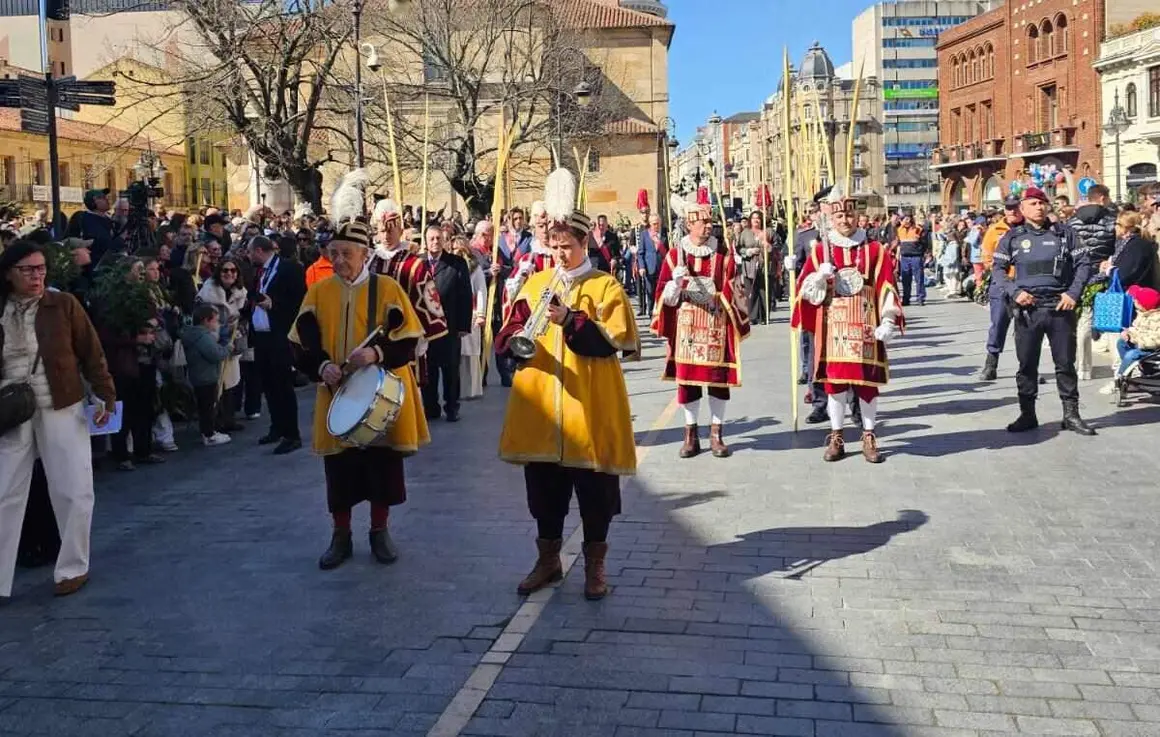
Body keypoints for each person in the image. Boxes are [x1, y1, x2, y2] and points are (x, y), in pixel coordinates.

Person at [495, 168, 638, 601]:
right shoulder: (537, 282)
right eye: (554, 247)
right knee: (544, 490)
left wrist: (570, 319)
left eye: (568, 247)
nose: (559, 255)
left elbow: (610, 343)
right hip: (541, 406)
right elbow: (509, 338)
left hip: (589, 406)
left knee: (595, 492)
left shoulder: (605, 285)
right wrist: (515, 329)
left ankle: (595, 565)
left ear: (584, 245)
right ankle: (548, 559)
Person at [288, 178, 428, 570]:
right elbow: (299, 342)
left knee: (382, 467)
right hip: (335, 392)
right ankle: (341, 536)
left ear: (364, 253)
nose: (338, 261)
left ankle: (380, 532)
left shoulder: (386, 289)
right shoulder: (319, 292)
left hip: (377, 392)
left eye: (346, 253)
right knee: (340, 470)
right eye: (334, 253)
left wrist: (376, 352)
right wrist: (321, 365)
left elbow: (409, 341)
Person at [0, 240, 115, 599]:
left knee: (73, 488)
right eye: (27, 269)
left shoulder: (63, 305)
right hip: (11, 409)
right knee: (4, 493)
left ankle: (73, 567)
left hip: (60, 404)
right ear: (9, 273)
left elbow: (91, 351)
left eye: (40, 268)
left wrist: (105, 394)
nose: (36, 276)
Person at [791, 193, 903, 464]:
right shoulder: (820, 250)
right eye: (839, 215)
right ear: (832, 217)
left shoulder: (875, 249)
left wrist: (888, 319)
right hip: (834, 327)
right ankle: (837, 435)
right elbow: (804, 292)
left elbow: (886, 285)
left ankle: (868, 435)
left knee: (867, 384)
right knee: (835, 385)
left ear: (858, 216)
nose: (845, 220)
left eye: (849, 215)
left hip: (865, 324)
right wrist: (819, 277)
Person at [652, 188, 750, 459]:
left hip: (716, 326)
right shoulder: (675, 256)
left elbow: (739, 294)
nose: (708, 226)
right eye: (702, 222)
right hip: (687, 330)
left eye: (710, 222)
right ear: (688, 224)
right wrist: (675, 283)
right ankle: (690, 434)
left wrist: (731, 285)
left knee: (718, 381)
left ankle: (717, 433)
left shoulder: (724, 256)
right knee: (688, 383)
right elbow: (661, 296)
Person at [992, 186, 1094, 436]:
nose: (1039, 207)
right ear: (1022, 209)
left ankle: (1071, 415)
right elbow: (997, 270)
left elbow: (1084, 264)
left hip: (1060, 307)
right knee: (1027, 364)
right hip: (1029, 310)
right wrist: (1015, 291)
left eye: (1042, 203)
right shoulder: (1012, 238)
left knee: (1065, 364)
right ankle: (1027, 414)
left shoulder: (1065, 234)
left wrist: (1073, 293)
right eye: (1033, 204)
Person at [369, 198, 448, 387]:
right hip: (372, 335)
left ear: (400, 231)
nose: (387, 236)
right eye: (382, 231)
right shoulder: (369, 262)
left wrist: (423, 333)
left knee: (404, 386)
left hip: (405, 335)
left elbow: (428, 298)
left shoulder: (415, 264)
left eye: (391, 231)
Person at [248, 234, 306, 454]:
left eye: (251, 251)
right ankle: (277, 427)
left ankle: (292, 434)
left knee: (282, 385)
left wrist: (275, 304)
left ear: (260, 251)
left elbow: (299, 300)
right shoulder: (258, 272)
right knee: (268, 384)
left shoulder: (289, 268)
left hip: (280, 335)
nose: (249, 255)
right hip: (261, 335)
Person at [1068, 183, 1119, 381]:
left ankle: (1083, 368)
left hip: (1080, 274)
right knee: (1112, 320)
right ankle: (1117, 368)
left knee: (1084, 321)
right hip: (1105, 272)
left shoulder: (1072, 222)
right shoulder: (1111, 220)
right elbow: (1117, 246)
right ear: (1102, 198)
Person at [421, 225, 472, 422]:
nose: (435, 242)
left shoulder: (456, 263)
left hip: (449, 326)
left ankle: (452, 407)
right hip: (426, 327)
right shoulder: (419, 263)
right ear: (425, 241)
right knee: (429, 369)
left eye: (438, 238)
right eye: (431, 238)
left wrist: (463, 326)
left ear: (444, 240)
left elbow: (465, 295)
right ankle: (431, 406)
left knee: (450, 368)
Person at [197, 258, 248, 432]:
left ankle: (228, 419)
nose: (229, 274)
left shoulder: (240, 292)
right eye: (225, 270)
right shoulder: (208, 292)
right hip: (213, 339)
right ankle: (215, 422)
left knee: (231, 382)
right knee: (215, 383)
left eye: (233, 270)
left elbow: (243, 314)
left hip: (232, 339)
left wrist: (238, 324)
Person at [977, 195, 1024, 381]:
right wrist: (1000, 274)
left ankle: (1027, 367)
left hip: (1026, 284)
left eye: (1016, 207)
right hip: (1002, 283)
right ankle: (991, 363)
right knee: (998, 324)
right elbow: (987, 257)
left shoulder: (1029, 229)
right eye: (1009, 208)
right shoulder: (995, 230)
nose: (1012, 211)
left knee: (1027, 327)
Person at [181, 304, 233, 446]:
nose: (217, 323)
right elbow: (215, 354)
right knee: (208, 407)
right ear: (205, 321)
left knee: (206, 406)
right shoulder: (202, 337)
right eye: (215, 320)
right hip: (205, 377)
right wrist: (227, 348)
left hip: (200, 375)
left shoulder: (195, 335)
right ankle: (209, 434)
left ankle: (209, 431)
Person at [452, 236, 487, 400]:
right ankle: (457, 389)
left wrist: (481, 313)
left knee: (471, 354)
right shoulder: (451, 266)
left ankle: (472, 389)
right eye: (455, 249)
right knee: (456, 354)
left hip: (471, 313)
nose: (458, 252)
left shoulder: (475, 269)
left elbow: (481, 291)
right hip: (454, 313)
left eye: (461, 249)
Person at [739, 210, 776, 325]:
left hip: (765, 265)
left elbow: (778, 246)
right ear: (750, 220)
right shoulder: (745, 233)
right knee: (751, 291)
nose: (756, 220)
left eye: (758, 218)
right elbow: (739, 248)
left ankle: (765, 317)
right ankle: (753, 316)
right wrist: (748, 251)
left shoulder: (769, 232)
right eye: (754, 218)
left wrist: (769, 246)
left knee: (764, 291)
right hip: (749, 265)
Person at [895, 213, 926, 306]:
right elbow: (898, 243)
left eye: (908, 219)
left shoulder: (918, 229)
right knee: (905, 279)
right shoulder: (899, 230)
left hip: (916, 256)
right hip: (904, 257)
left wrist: (922, 251)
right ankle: (906, 298)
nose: (906, 221)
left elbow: (925, 243)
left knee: (919, 278)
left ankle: (920, 298)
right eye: (904, 219)